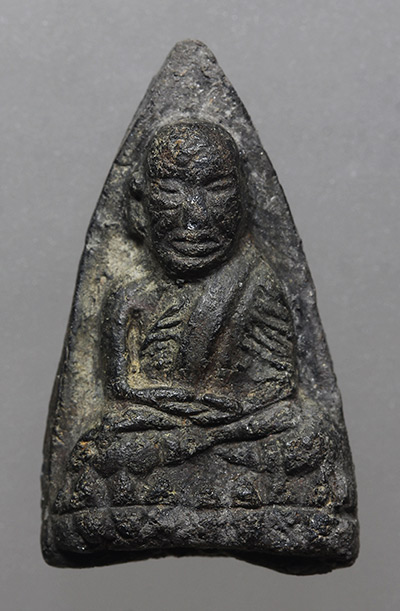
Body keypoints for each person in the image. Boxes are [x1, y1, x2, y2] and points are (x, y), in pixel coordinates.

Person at [53, 121, 347, 523]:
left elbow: (281, 385)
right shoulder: (129, 296)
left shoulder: (256, 281)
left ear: (245, 201)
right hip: (158, 423)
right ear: (138, 205)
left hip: (237, 426)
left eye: (217, 189)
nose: (196, 215)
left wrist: (231, 413)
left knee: (309, 434)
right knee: (102, 443)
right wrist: (172, 406)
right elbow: (121, 388)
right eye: (171, 191)